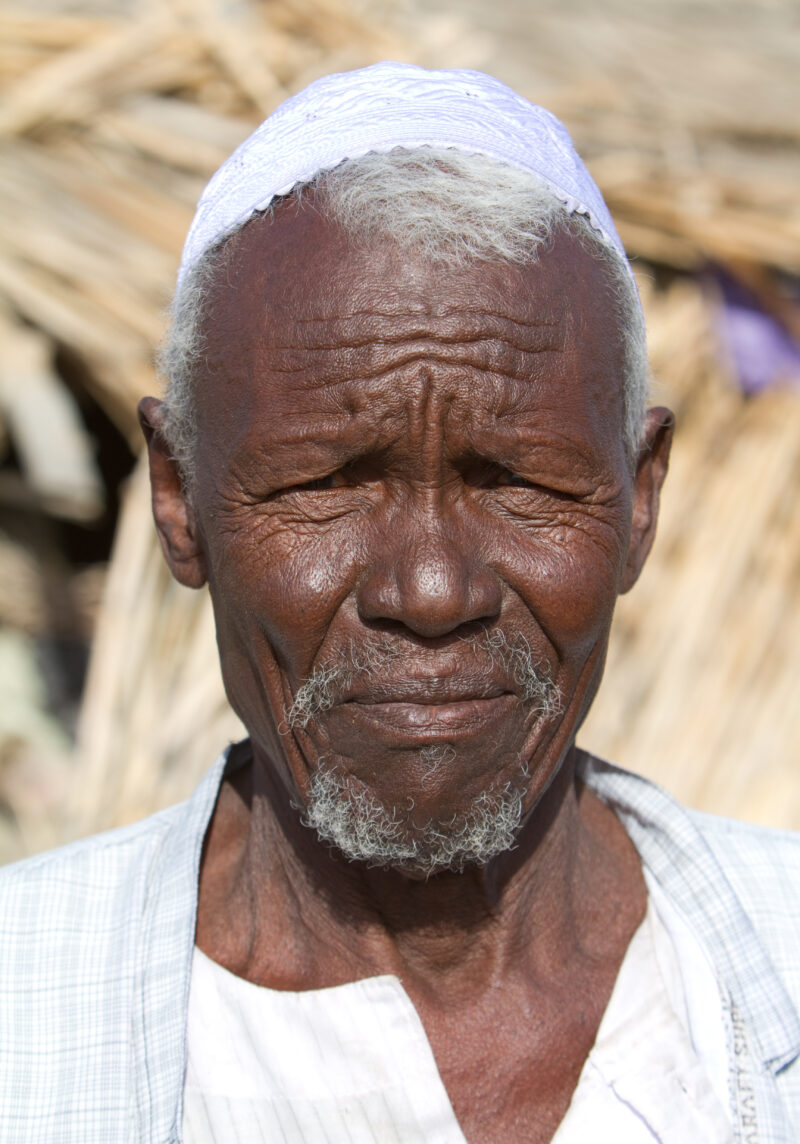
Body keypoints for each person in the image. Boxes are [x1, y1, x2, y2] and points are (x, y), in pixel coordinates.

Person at [0, 62, 798, 1144]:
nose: (429, 592)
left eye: (516, 481)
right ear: (179, 500)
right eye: (328, 484)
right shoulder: (27, 1021)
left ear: (638, 498)